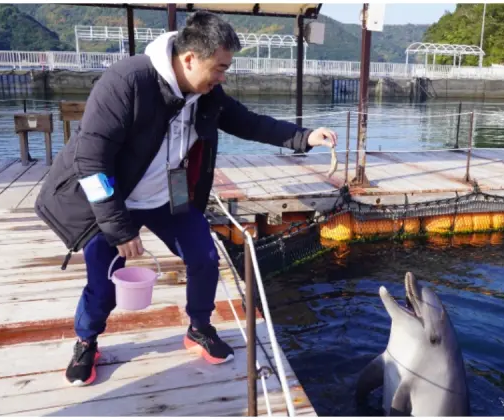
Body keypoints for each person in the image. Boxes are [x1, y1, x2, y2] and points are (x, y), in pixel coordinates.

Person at [34, 11, 338, 387]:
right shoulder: (126, 81)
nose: (223, 77)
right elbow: (90, 162)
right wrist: (118, 226)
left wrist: (304, 137)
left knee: (205, 258)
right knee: (103, 281)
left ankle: (199, 327)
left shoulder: (206, 94)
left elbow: (248, 122)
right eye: (220, 68)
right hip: (116, 199)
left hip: (169, 196)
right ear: (190, 58)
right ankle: (87, 340)